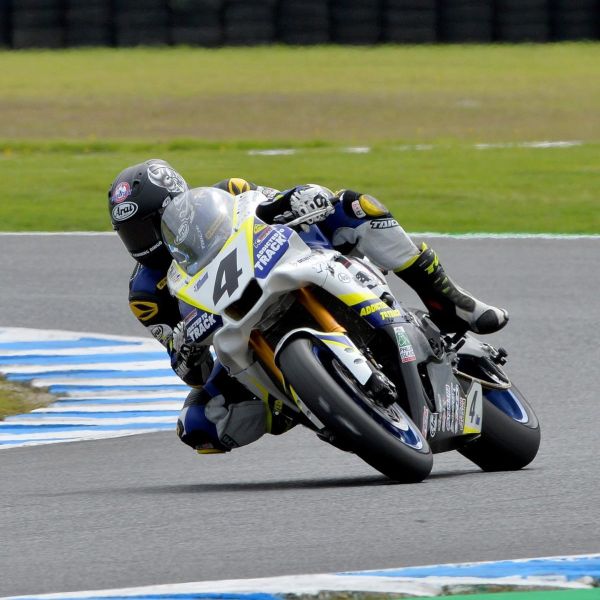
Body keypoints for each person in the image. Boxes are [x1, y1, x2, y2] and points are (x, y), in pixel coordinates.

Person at [109, 158, 508, 455]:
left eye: (148, 224)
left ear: (176, 203)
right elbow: (191, 370)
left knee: (354, 207)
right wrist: (183, 353)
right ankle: (302, 402)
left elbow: (273, 203)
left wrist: (298, 200)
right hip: (240, 334)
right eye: (130, 232)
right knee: (198, 426)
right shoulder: (146, 295)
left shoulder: (227, 193)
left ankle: (451, 301)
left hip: (295, 266)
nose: (142, 240)